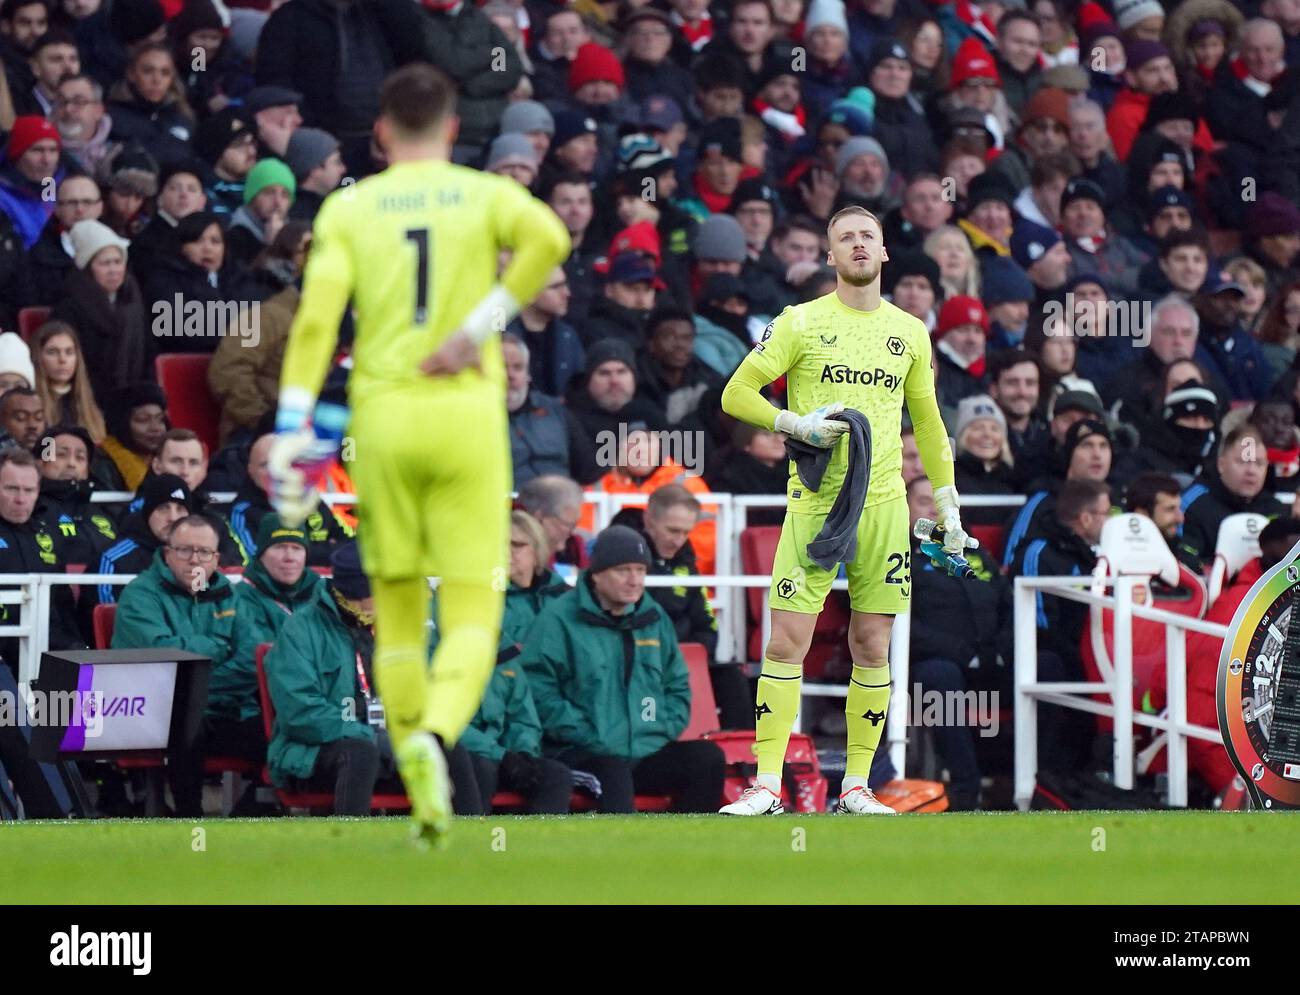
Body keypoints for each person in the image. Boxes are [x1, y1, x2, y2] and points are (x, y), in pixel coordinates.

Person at [267, 64, 570, 846]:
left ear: (379, 132)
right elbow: (551, 237)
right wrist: (481, 325)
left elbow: (313, 326)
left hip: (386, 418)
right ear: (450, 130)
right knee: (470, 607)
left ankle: (413, 752)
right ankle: (437, 731)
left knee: (398, 610)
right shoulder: (483, 194)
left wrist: (298, 424)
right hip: (466, 416)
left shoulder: (350, 205)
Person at [717, 205, 973, 816]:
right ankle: (767, 786)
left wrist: (947, 502)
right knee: (785, 642)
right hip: (813, 505)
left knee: (873, 644)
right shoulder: (800, 323)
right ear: (829, 257)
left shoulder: (909, 331)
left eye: (867, 237)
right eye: (845, 239)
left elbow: (931, 424)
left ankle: (857, 786)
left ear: (884, 253)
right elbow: (734, 393)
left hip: (884, 506)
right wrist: (792, 421)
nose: (858, 246)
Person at [521, 524, 726, 813]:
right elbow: (538, 690)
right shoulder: (558, 620)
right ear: (597, 574)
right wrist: (587, 732)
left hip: (644, 748)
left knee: (707, 759)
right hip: (582, 750)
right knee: (614, 773)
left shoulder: (654, 619)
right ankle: (622, 856)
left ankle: (684, 851)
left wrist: (660, 727)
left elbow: (676, 684)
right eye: (623, 571)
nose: (634, 580)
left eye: (641, 571)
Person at [263, 542, 389, 816]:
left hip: (380, 737)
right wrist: (369, 735)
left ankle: (438, 853)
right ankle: (349, 853)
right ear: (359, 592)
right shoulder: (301, 628)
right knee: (360, 754)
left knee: (446, 750)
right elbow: (300, 712)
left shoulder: (388, 626)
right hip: (311, 749)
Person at [0, 447, 86, 676]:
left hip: (47, 648)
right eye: (11, 489)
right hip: (4, 651)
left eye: (28, 490)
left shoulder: (47, 532)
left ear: (38, 491)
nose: (20, 499)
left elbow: (62, 600)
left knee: (87, 703)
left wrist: (75, 645)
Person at [49, 218, 150, 405]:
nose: (113, 270)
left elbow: (147, 357)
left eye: (118, 262)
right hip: (86, 398)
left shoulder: (134, 301)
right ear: (88, 268)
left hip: (131, 399)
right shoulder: (68, 307)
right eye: (104, 263)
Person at [1179, 423, 1294, 566]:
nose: (1251, 471)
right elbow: (1185, 562)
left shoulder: (1277, 510)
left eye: (1258, 463)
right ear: (1221, 465)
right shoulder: (1194, 507)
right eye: (1242, 462)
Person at [231, 431, 351, 565]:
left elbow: (353, 548)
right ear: (250, 469)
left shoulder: (313, 501)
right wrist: (329, 550)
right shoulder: (242, 512)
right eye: (265, 465)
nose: (274, 472)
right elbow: (259, 560)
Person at [33, 424, 118, 566]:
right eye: (61, 455)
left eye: (80, 457)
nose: (71, 464)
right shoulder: (30, 509)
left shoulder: (105, 511)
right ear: (39, 463)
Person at [505, 333, 577, 487]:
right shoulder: (473, 417)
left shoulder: (556, 411)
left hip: (558, 502)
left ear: (528, 375)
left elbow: (589, 467)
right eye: (502, 367)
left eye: (518, 367)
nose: (510, 375)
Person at [32, 322, 107, 443]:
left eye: (69, 352)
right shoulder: (31, 403)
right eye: (52, 352)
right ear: (38, 357)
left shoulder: (89, 404)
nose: (62, 359)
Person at [98, 381, 168, 492]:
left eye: (160, 420)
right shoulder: (102, 464)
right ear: (121, 424)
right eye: (143, 419)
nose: (156, 428)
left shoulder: (172, 459)